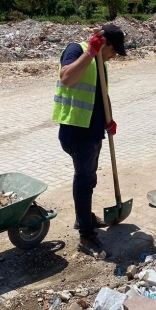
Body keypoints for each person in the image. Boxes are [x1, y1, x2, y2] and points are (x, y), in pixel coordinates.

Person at [52, 24, 126, 258]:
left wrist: (109, 119)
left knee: (88, 177)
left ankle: (83, 216)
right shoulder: (77, 50)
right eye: (114, 51)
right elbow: (66, 78)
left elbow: (103, 94)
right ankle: (86, 235)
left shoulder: (100, 63)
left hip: (92, 130)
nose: (114, 57)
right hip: (76, 130)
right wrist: (90, 52)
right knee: (85, 181)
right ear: (104, 44)